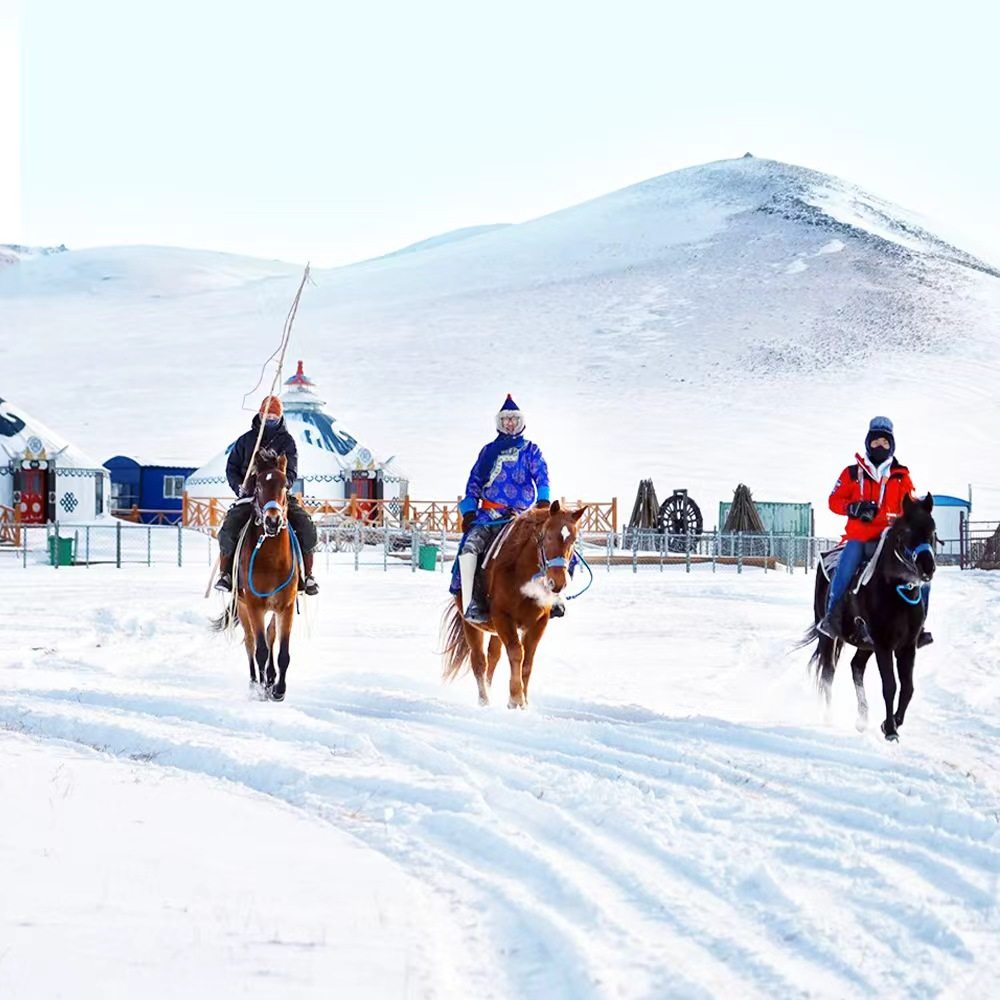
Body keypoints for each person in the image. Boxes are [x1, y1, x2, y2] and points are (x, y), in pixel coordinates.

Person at [819, 416, 932, 646]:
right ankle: (832, 618)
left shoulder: (902, 476)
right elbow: (833, 501)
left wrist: (919, 513)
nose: (880, 446)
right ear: (867, 443)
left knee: (923, 577)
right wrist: (852, 507)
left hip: (891, 539)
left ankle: (917, 628)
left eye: (885, 442)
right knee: (845, 570)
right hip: (860, 537)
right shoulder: (852, 473)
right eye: (875, 442)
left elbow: (909, 506)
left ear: (892, 445)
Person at [453, 395, 551, 624]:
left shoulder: (531, 451)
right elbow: (475, 480)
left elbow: (542, 475)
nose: (509, 423)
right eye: (505, 419)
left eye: (513, 419)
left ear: (520, 422)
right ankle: (471, 601)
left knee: (553, 546)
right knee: (469, 548)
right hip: (490, 515)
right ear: (499, 422)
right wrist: (469, 510)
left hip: (522, 516)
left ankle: (553, 599)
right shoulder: (488, 451)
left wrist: (544, 502)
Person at [215, 396, 319, 595]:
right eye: (266, 415)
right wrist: (240, 487)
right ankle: (226, 574)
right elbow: (232, 467)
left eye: (274, 416)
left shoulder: (286, 442)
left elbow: (292, 472)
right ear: (260, 415)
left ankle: (308, 575)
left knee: (306, 526)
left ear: (280, 417)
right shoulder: (246, 440)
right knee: (229, 528)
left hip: (278, 498)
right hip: (250, 495)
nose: (270, 419)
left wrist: (282, 485)